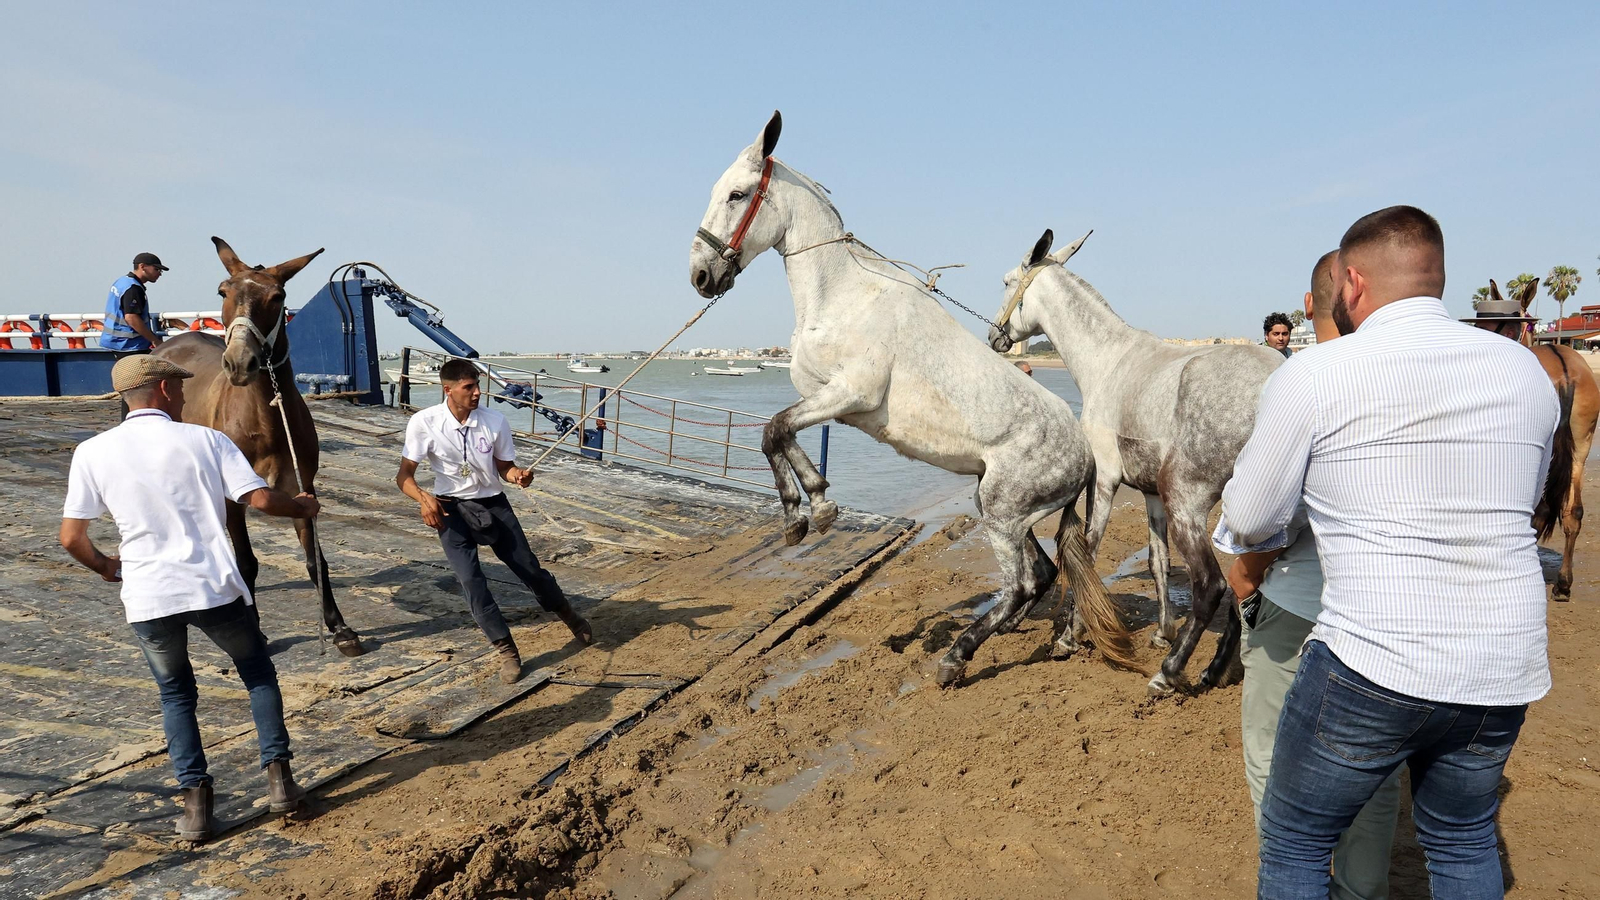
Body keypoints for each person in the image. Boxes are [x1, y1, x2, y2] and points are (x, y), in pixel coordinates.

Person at [1221, 206, 1558, 898]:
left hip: (1374, 657)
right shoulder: (1523, 372)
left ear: (1351, 283)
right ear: (1437, 275)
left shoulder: (1317, 374)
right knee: (1463, 841)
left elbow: (1253, 516)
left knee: (1295, 840)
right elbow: (1522, 504)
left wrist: (1237, 546)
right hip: (1503, 659)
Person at [59, 356, 322, 842]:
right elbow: (259, 500)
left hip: (148, 597)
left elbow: (72, 537)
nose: (183, 395)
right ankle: (280, 782)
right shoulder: (206, 440)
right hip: (213, 586)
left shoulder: (93, 452)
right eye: (179, 388)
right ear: (162, 389)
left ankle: (197, 809)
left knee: (176, 695)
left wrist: (107, 567)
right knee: (258, 674)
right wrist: (301, 507)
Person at [1216, 251, 1400, 900]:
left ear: (1306, 302)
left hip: (1298, 602)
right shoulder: (1406, 376)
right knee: (1370, 769)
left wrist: (1244, 578)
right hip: (1383, 611)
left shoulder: (1300, 379)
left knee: (1272, 753)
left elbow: (1264, 512)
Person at [396, 358, 593, 684]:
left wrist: (518, 475)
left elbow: (505, 467)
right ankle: (506, 650)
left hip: (493, 505)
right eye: (468, 387)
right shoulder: (423, 422)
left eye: (478, 386)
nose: (476, 393)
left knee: (529, 568)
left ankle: (569, 615)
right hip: (450, 511)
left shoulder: (495, 421)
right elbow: (404, 477)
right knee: (472, 582)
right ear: (448, 389)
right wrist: (423, 499)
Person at [100, 253, 169, 353]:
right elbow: (131, 318)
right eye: (156, 269)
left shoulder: (122, 282)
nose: (159, 273)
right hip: (129, 345)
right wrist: (154, 340)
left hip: (113, 341)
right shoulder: (134, 288)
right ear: (142, 266)